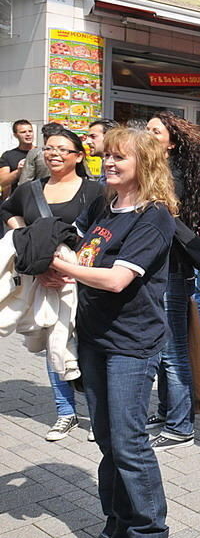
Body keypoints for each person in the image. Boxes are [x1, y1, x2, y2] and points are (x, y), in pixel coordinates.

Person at [44, 127, 176, 538]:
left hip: (131, 342)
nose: (109, 163)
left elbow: (118, 280)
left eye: (120, 158)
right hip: (96, 336)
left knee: (128, 441)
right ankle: (118, 527)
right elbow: (83, 251)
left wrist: (64, 268)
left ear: (145, 164)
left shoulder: (153, 217)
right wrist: (58, 269)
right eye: (108, 156)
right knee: (104, 438)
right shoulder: (104, 203)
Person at [1, 126, 102, 441]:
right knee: (52, 341)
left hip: (82, 279)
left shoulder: (94, 191)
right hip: (41, 276)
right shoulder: (30, 189)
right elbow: (8, 210)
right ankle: (65, 412)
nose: (54, 154)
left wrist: (75, 269)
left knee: (85, 343)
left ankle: (98, 417)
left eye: (62, 149)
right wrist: (27, 239)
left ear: (78, 157)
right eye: (49, 148)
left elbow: (101, 233)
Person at [144, 111, 200, 451]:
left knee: (173, 351)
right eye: (146, 129)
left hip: (173, 272)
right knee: (164, 349)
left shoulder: (173, 177)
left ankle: (180, 425)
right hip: (163, 271)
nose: (147, 134)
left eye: (155, 131)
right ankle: (167, 412)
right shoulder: (157, 172)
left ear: (172, 143)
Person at [1, 120, 35, 197]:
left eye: (30, 131)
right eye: (23, 132)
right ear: (15, 135)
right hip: (18, 199)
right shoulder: (8, 155)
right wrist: (19, 171)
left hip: (40, 198)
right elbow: (3, 181)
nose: (28, 134)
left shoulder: (42, 153)